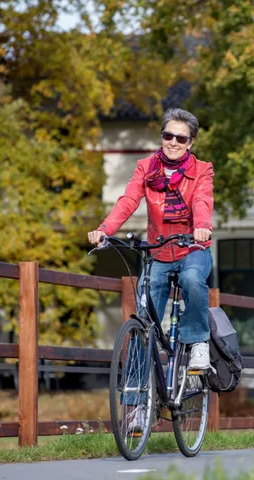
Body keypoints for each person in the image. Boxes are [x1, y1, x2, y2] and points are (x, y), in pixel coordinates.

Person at [88, 108, 214, 432]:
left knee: (191, 279)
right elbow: (128, 200)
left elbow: (202, 201)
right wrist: (105, 229)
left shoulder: (202, 170)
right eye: (167, 135)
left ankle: (198, 342)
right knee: (142, 324)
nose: (173, 142)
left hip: (192, 250)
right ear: (162, 136)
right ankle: (136, 409)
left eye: (180, 138)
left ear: (190, 142)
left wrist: (201, 227)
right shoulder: (146, 168)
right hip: (157, 252)